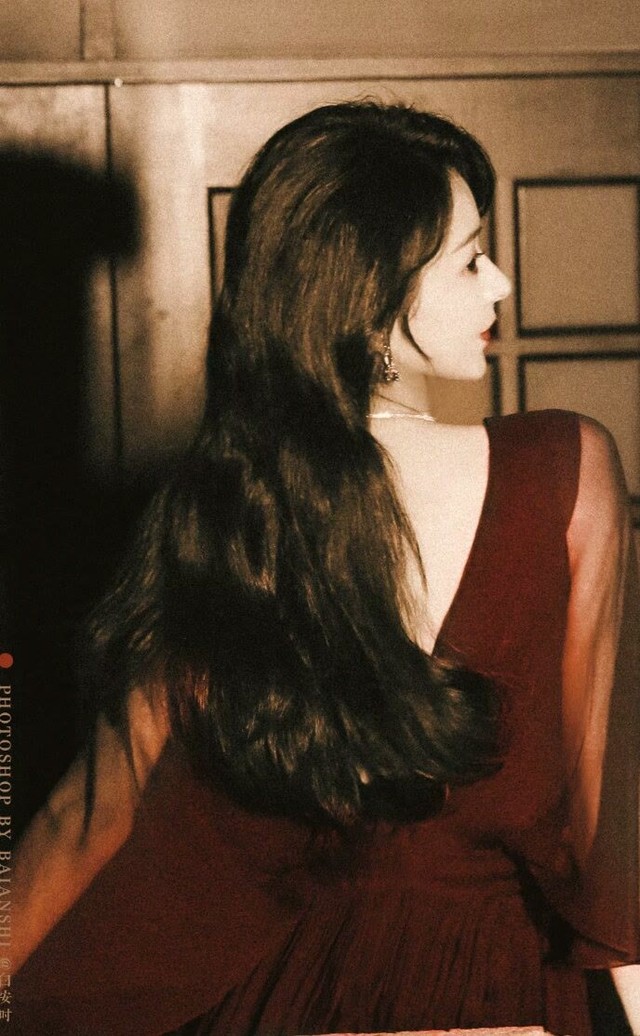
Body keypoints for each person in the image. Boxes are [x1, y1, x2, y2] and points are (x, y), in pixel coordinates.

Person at [12, 100, 640, 1035]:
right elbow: (609, 834)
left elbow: (90, 818)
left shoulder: (223, 511)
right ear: (372, 295)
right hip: (488, 999)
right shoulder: (562, 472)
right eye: (471, 259)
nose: (502, 282)